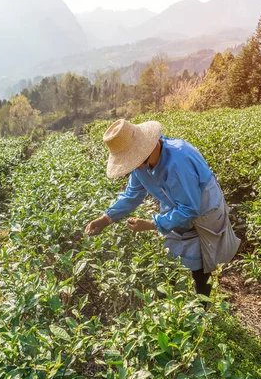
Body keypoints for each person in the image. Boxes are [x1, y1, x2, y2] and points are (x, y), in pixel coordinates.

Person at [85, 119, 241, 297]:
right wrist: (106, 219)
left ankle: (202, 308)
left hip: (204, 207)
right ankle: (177, 304)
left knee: (202, 260)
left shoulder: (178, 161)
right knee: (173, 255)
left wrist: (151, 224)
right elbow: (132, 195)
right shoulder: (140, 167)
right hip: (176, 204)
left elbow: (190, 209)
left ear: (144, 149)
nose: (132, 166)